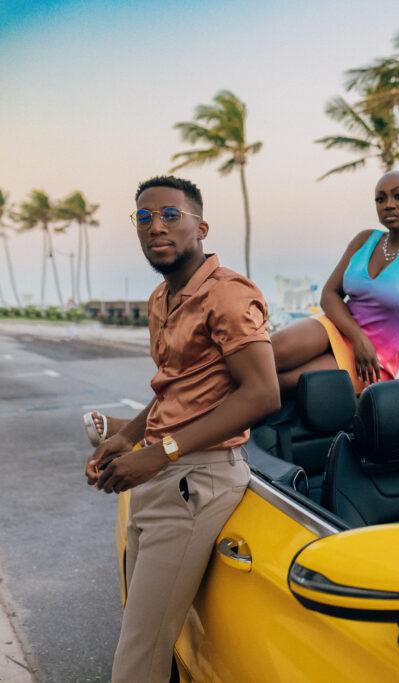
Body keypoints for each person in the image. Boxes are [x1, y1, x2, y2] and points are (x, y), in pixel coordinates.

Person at [85, 175, 280, 682]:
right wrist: (127, 438)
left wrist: (160, 451)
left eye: (171, 215)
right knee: (147, 643)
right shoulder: (161, 298)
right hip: (162, 477)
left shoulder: (229, 295)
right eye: (145, 218)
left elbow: (262, 393)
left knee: (135, 662)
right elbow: (174, 388)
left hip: (200, 479)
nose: (156, 227)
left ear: (201, 226)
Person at [271, 170, 399, 393]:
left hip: (374, 359)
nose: (388, 204)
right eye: (380, 198)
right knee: (266, 356)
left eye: (398, 196)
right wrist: (358, 337)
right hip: (338, 328)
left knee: (285, 381)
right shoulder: (364, 239)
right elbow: (329, 294)